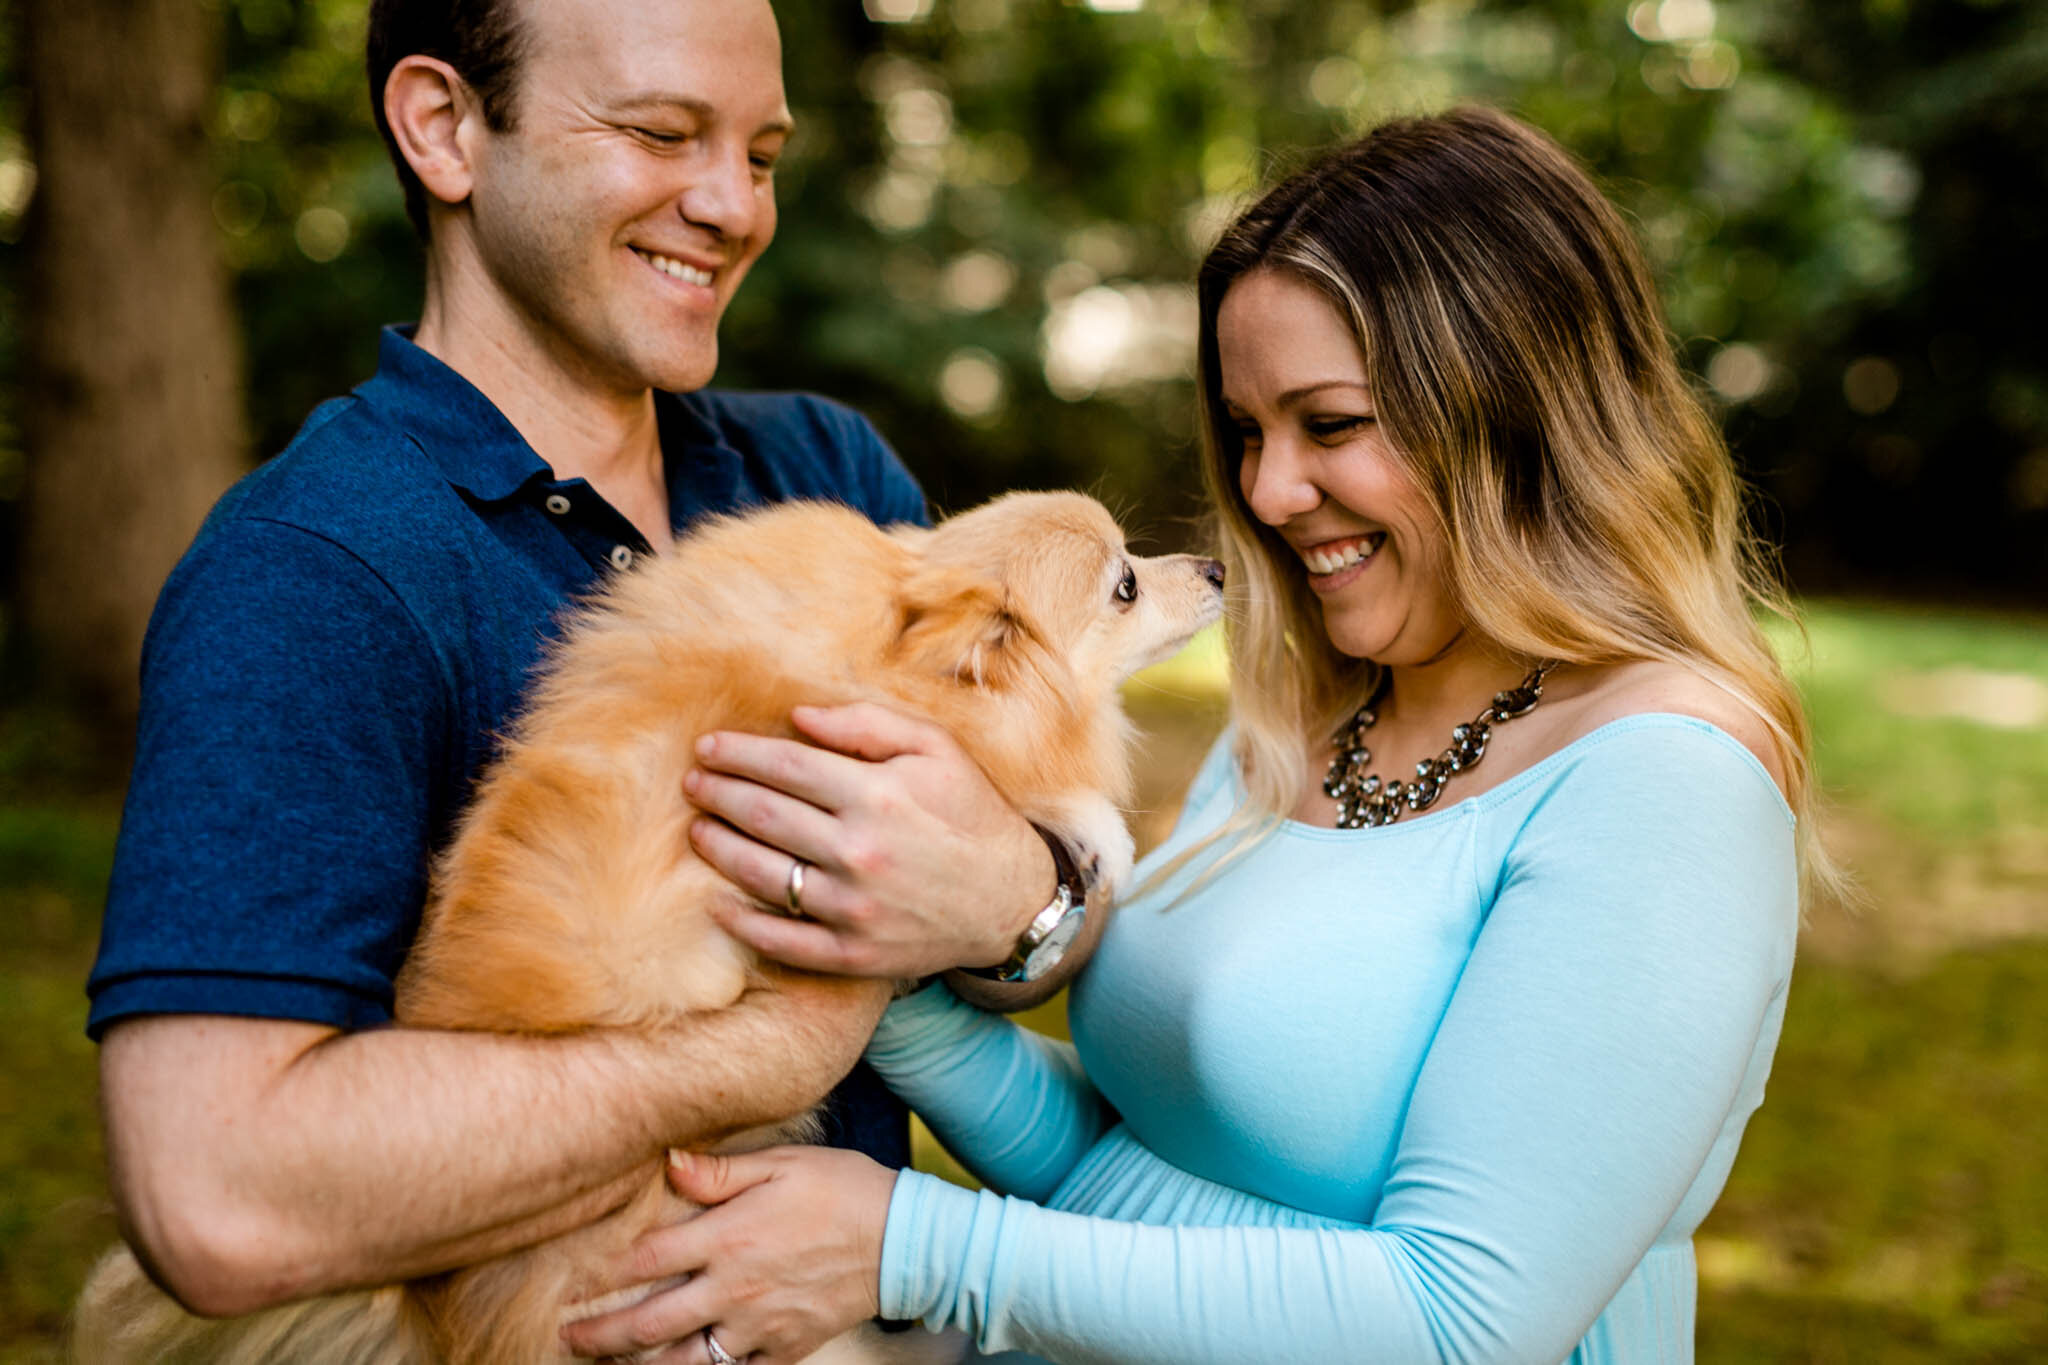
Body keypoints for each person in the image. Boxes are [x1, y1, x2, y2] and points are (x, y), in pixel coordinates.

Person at [561, 107, 1826, 1365]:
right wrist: (859, 963)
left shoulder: (1665, 780)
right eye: (1246, 431)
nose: (1267, 495)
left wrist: (911, 1246)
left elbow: (1458, 1324)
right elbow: (1128, 1168)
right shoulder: (1305, 722)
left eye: (1329, 424)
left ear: (1516, 408)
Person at [85, 0, 1085, 1342]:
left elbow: (1026, 937)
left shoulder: (824, 477)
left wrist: (1021, 902)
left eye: (765, 155)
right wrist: (773, 1049)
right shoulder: (312, 570)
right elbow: (213, 1194)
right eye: (663, 134)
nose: (733, 206)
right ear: (445, 128)